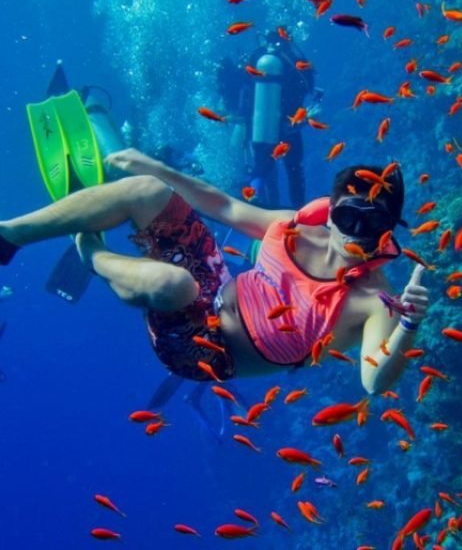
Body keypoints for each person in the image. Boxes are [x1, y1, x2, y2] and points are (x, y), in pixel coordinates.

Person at [0, 150, 429, 394]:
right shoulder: (300, 226)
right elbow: (226, 206)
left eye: (375, 225)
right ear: (331, 210)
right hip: (214, 284)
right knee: (147, 191)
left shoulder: (376, 301)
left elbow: (374, 382)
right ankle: (10, 236)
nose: (359, 235)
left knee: (170, 283)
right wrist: (157, 169)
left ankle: (89, 252)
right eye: (351, 217)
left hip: (206, 354)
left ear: (391, 230)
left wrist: (408, 323)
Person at [218, 29, 321, 208]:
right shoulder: (293, 59)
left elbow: (242, 89)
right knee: (294, 169)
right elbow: (307, 86)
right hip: (289, 126)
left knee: (261, 167)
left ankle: (257, 200)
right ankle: (300, 212)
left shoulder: (257, 57)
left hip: (257, 125)